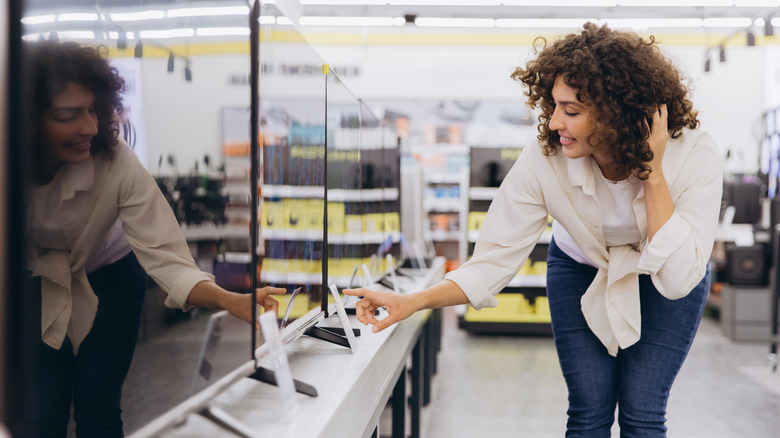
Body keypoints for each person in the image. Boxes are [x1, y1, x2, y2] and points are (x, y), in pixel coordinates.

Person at [345, 22, 723, 437]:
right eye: (554, 105)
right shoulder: (546, 157)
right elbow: (492, 260)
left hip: (669, 272)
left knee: (642, 410)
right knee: (588, 410)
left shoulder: (693, 153)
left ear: (616, 113)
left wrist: (652, 174)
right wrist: (412, 302)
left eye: (572, 111)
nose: (554, 121)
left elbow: (680, 277)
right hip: (580, 270)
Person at [22, 40, 285, 438]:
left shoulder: (114, 160)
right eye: (68, 116)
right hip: (34, 279)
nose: (90, 128)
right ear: (25, 120)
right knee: (40, 412)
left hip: (111, 273)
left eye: (93, 109)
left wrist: (232, 301)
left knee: (98, 406)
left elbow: (167, 257)